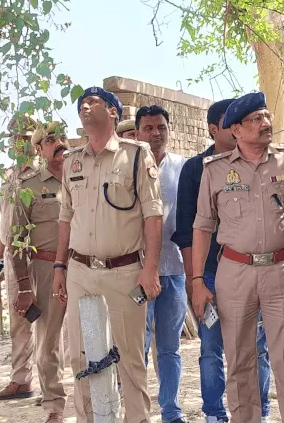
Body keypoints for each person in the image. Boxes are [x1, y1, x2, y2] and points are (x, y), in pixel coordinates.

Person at [190, 91, 284, 423]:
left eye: (266, 116)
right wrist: (196, 280)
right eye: (256, 119)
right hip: (234, 271)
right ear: (236, 130)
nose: (265, 123)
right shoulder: (215, 170)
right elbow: (202, 227)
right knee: (239, 360)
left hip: (282, 270)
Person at [52, 86, 162, 423]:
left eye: (94, 101)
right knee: (81, 356)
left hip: (125, 271)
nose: (86, 106)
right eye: (82, 104)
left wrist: (151, 268)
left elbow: (152, 215)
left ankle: (137, 419)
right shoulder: (71, 161)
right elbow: (66, 217)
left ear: (114, 112)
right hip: (80, 271)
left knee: (130, 358)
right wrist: (59, 267)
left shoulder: (136, 155)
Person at [171, 98, 272, 423]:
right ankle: (215, 413)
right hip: (211, 277)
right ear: (215, 129)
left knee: (257, 347)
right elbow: (188, 231)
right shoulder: (195, 169)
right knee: (211, 349)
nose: (239, 128)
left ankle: (260, 412)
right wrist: (195, 280)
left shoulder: (261, 162)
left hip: (253, 274)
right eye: (232, 123)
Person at [7, 122, 69, 422]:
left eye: (62, 137)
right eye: (50, 140)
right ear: (39, 149)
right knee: (49, 343)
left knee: (90, 336)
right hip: (45, 269)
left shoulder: (83, 177)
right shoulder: (28, 186)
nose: (59, 143)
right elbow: (17, 241)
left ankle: (94, 401)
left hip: (84, 265)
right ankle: (54, 406)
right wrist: (23, 286)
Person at [137, 105, 187, 423]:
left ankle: (171, 410)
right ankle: (137, 410)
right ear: (138, 132)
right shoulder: (128, 168)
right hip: (137, 273)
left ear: (169, 130)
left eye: (161, 127)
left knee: (169, 347)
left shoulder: (183, 167)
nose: (156, 133)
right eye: (149, 128)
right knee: (136, 347)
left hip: (175, 271)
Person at [0, 114, 39, 401]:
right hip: (13, 258)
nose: (20, 143)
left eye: (25, 138)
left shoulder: (43, 174)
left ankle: (53, 384)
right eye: (15, 138)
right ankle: (21, 380)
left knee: (49, 324)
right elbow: (4, 222)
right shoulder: (9, 177)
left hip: (40, 256)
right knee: (19, 321)